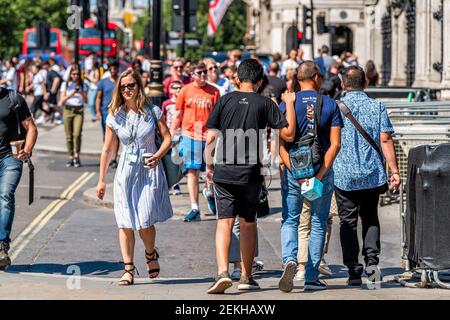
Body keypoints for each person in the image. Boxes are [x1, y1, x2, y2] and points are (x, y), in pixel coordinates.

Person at [205, 58, 296, 294]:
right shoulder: (265, 103)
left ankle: (223, 272)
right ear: (259, 81)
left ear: (237, 78)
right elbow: (287, 133)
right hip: (251, 173)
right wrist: (290, 105)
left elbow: (211, 137)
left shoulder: (224, 101)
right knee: (248, 224)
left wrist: (209, 165)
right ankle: (246, 275)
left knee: (224, 222)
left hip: (224, 170)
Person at [96, 68, 173, 286]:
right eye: (123, 86)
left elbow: (167, 138)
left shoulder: (153, 111)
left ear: (138, 86)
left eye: (131, 85)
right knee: (125, 222)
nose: (127, 89)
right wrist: (101, 180)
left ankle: (150, 254)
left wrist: (157, 156)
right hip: (124, 174)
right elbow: (107, 149)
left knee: (145, 221)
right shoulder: (115, 115)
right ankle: (128, 269)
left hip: (148, 171)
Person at [278, 61, 343, 292]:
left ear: (297, 79)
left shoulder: (287, 102)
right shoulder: (329, 104)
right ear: (315, 78)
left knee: (291, 219)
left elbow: (281, 146)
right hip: (319, 173)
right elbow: (335, 145)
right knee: (317, 222)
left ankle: (290, 260)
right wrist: (318, 175)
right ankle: (312, 277)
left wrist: (296, 173)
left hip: (294, 173)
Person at [334, 66, 400, 286]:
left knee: (347, 221)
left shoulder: (336, 107)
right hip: (372, 173)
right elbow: (385, 140)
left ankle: (353, 271)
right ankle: (372, 267)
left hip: (343, 174)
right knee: (370, 217)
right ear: (366, 83)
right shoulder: (377, 106)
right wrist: (394, 170)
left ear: (343, 84)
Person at [171, 62, 220, 222]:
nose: (203, 75)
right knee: (192, 171)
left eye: (205, 71)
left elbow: (218, 116)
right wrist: (171, 134)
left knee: (210, 172)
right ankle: (195, 207)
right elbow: (178, 114)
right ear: (193, 75)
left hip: (209, 137)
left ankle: (210, 193)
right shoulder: (185, 90)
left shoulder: (214, 91)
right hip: (190, 135)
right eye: (200, 72)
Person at [0, 87, 38, 268]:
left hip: (10, 157)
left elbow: (31, 128)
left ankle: (2, 246)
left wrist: (27, 150)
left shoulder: (13, 98)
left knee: (6, 195)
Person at [58, 65, 88, 168]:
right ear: (70, 74)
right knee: (68, 136)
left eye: (77, 74)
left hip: (79, 110)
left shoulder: (83, 85)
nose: (75, 76)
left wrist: (82, 93)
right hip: (68, 110)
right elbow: (61, 101)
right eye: (73, 74)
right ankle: (71, 157)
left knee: (77, 134)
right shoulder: (65, 85)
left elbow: (86, 100)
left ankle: (77, 156)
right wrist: (72, 93)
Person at [96, 61, 120, 168]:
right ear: (109, 70)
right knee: (107, 136)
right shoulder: (103, 82)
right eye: (111, 69)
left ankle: (114, 158)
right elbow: (98, 97)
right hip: (106, 112)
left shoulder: (120, 81)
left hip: (118, 111)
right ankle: (107, 157)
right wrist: (97, 111)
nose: (113, 71)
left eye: (115, 68)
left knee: (117, 137)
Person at [162, 80, 183, 195]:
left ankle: (177, 179)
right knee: (174, 158)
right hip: (171, 133)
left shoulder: (184, 102)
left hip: (183, 132)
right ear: (170, 90)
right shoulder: (167, 103)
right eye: (175, 87)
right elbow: (163, 118)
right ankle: (175, 184)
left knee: (181, 158)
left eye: (180, 87)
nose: (178, 90)